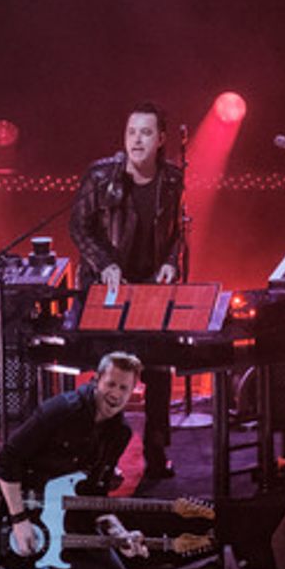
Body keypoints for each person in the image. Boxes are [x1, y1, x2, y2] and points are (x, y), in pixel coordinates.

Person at [0, 351, 148, 569]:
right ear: (96, 381)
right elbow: (6, 462)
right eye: (111, 384)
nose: (116, 394)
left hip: (70, 512)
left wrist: (118, 533)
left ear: (133, 392)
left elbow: (93, 495)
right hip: (30, 509)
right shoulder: (59, 411)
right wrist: (19, 520)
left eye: (124, 388)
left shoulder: (118, 433)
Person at [69, 101, 186, 480]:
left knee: (158, 369)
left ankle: (156, 451)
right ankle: (101, 456)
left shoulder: (172, 179)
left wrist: (171, 261)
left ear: (161, 139)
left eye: (146, 132)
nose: (137, 140)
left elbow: (178, 233)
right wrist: (106, 264)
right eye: (132, 132)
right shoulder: (101, 176)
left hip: (150, 290)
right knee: (112, 373)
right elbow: (79, 228)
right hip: (106, 290)